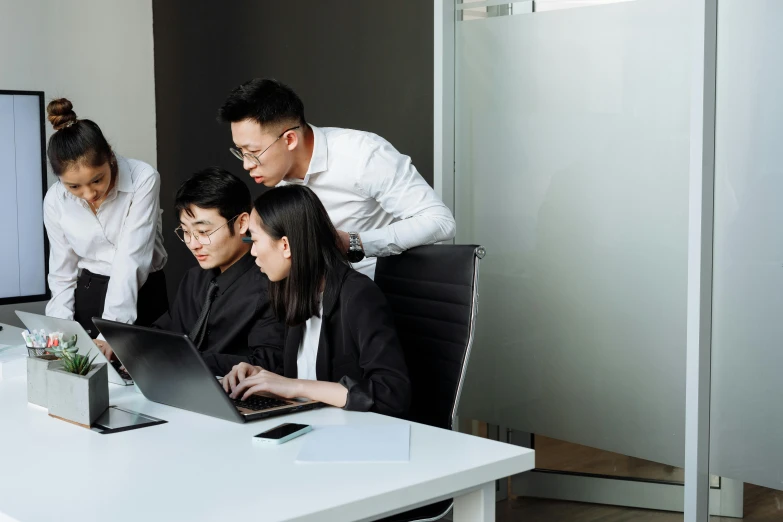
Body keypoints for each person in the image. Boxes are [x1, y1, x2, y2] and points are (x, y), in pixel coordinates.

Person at [218, 78, 456, 278]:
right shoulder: (277, 176)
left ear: (289, 139)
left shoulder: (364, 155)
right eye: (241, 152)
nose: (247, 165)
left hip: (379, 299)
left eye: (254, 152)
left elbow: (440, 221)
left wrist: (354, 243)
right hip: (314, 300)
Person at [222, 185, 411, 418]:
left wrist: (296, 386)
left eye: (255, 240)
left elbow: (392, 394)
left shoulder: (358, 295)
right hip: (312, 424)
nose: (252, 252)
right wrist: (260, 374)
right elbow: (307, 367)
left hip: (354, 437)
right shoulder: (294, 290)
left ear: (285, 246)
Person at [43, 98, 168, 343]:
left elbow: (131, 257)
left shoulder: (143, 179)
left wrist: (112, 330)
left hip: (143, 290)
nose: (89, 194)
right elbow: (62, 272)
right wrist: (60, 330)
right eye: (74, 186)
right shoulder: (55, 200)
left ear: (110, 156)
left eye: (97, 180)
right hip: (89, 291)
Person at [146, 168, 285, 375]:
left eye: (203, 232)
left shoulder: (270, 284)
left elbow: (267, 363)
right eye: (185, 231)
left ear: (241, 223)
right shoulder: (193, 279)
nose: (193, 244)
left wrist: (184, 359)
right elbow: (165, 332)